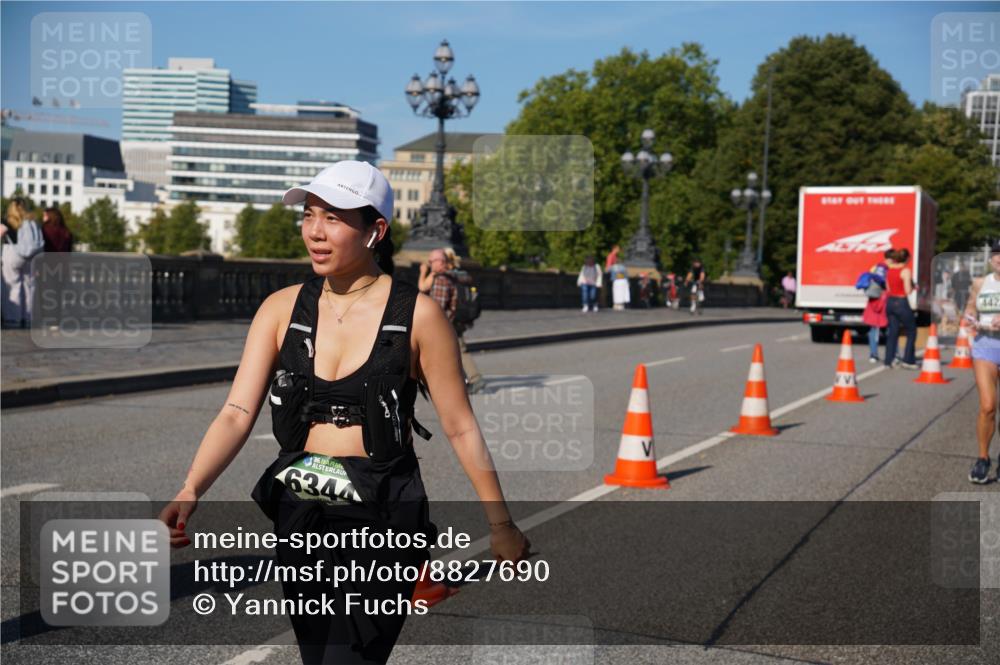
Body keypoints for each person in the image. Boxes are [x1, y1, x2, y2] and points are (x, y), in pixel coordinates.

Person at [158, 161, 529, 664]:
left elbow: (460, 426)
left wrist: (501, 523)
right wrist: (190, 487)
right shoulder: (280, 309)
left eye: (333, 218)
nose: (314, 231)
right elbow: (237, 410)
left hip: (383, 510)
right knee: (317, 656)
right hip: (302, 505)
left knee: (347, 658)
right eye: (309, 215)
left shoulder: (417, 315)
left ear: (375, 230)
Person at [418, 247, 484, 394]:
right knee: (457, 351)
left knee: (445, 353)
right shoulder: (456, 276)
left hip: (446, 324)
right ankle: (469, 379)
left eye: (431, 261)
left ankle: (470, 380)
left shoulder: (441, 279)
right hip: (457, 321)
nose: (430, 264)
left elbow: (438, 307)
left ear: (440, 262)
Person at [965, 240, 1000, 483]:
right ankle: (983, 458)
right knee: (988, 406)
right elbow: (968, 310)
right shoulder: (980, 283)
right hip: (985, 346)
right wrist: (970, 322)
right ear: (991, 260)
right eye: (997, 254)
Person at [1, 197, 44, 328]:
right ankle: (28, 317)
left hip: (13, 253)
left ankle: (13, 318)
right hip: (31, 256)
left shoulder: (8, 221)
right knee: (29, 286)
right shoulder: (32, 221)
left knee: (12, 286)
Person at [883, 248, 919, 369]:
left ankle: (888, 360)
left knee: (893, 331)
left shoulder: (889, 270)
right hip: (901, 302)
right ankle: (908, 360)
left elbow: (888, 288)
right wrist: (914, 287)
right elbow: (908, 290)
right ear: (908, 258)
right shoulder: (905, 271)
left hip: (890, 302)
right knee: (911, 330)